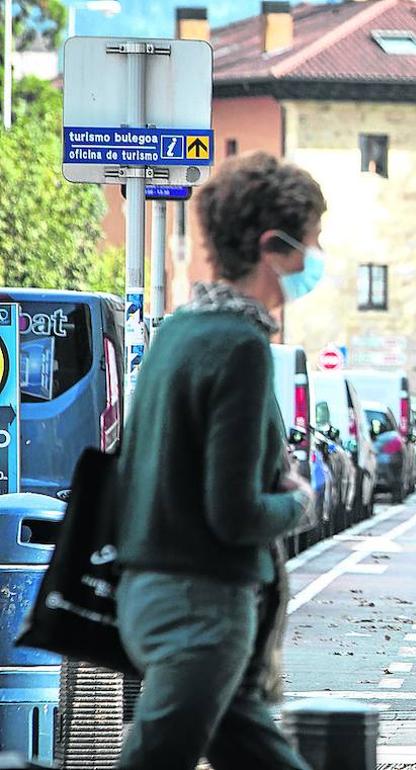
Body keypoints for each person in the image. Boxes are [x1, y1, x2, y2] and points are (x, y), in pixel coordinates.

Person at [113, 151, 325, 769]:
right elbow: (232, 513)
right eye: (310, 242)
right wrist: (298, 500)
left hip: (148, 593)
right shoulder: (241, 346)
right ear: (273, 247)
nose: (313, 259)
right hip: (201, 605)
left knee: (254, 751)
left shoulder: (179, 330)